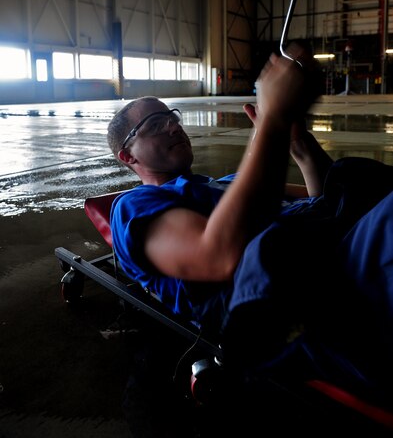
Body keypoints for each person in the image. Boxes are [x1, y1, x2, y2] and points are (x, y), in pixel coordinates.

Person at [107, 46, 393, 392]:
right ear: (127, 155)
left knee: (354, 182)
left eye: (173, 118)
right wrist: (271, 119)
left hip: (335, 248)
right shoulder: (135, 207)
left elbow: (323, 200)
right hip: (311, 296)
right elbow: (217, 257)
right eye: (155, 124)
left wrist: (297, 141)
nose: (172, 127)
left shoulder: (229, 183)